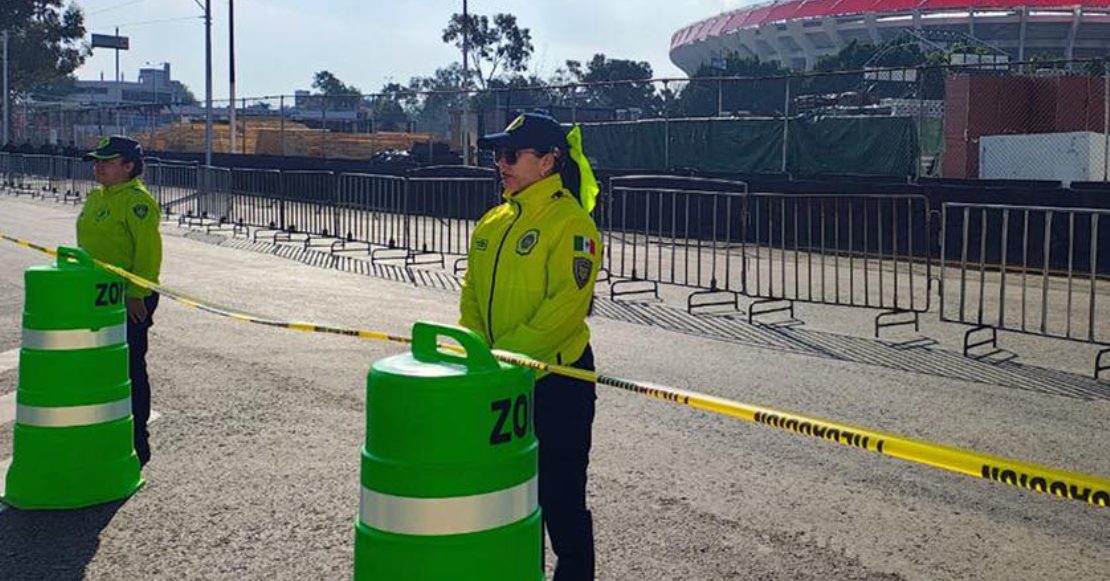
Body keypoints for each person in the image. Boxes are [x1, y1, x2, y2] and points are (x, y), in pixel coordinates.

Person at [459, 112, 603, 581]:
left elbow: (565, 308)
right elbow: (471, 294)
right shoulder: (492, 221)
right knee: (507, 501)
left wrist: (506, 357)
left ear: (547, 162)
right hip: (500, 381)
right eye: (496, 155)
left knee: (560, 503)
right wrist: (481, 351)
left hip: (556, 384)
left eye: (509, 155)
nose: (499, 164)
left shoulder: (572, 224)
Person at [76, 135, 163, 467]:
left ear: (129, 167)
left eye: (107, 162)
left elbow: (148, 252)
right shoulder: (98, 197)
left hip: (128, 298)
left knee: (129, 368)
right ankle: (104, 431)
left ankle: (137, 441)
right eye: (97, 161)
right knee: (100, 368)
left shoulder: (136, 201)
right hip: (95, 296)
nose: (98, 167)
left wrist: (137, 293)